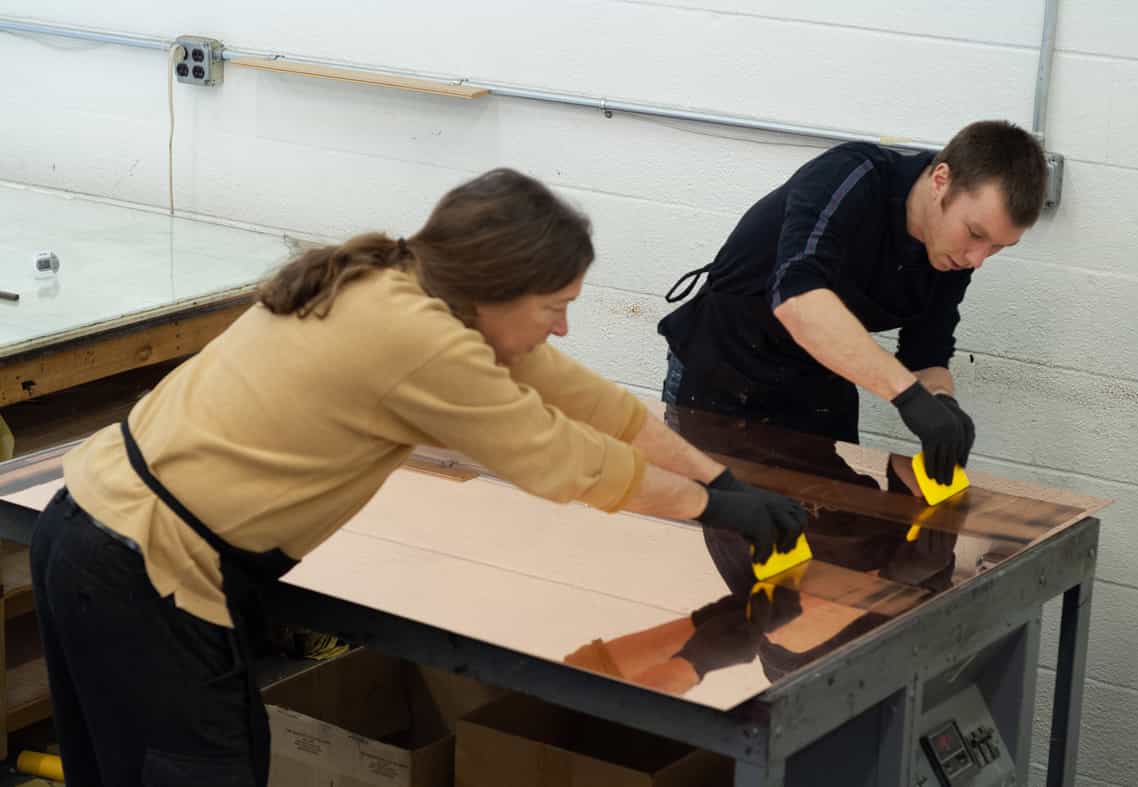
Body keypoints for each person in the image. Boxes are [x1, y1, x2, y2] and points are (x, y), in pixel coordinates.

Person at [30, 169, 808, 787]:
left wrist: (725, 477)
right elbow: (566, 461)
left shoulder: (403, 280)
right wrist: (714, 509)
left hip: (94, 528)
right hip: (145, 567)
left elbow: (586, 400)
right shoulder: (421, 340)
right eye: (556, 305)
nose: (563, 325)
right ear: (497, 286)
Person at [658, 120, 1049, 486]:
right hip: (724, 373)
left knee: (836, 535)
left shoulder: (950, 254)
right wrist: (909, 397)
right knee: (722, 531)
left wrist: (943, 407)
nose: (977, 259)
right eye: (975, 234)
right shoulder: (850, 178)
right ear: (941, 181)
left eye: (998, 247)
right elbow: (797, 300)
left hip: (815, 387)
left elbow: (926, 351)